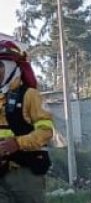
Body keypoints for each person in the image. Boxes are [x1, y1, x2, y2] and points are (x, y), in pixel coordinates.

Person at [0, 39, 55, 202]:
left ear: (11, 66)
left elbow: (46, 131)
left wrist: (18, 143)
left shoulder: (30, 95)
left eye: (0, 66)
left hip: (25, 175)